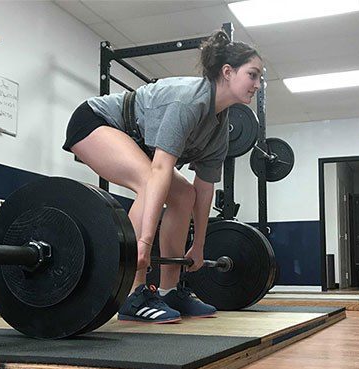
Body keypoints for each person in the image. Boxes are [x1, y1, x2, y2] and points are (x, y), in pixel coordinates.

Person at [62, 30, 263, 323]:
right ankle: (131, 293)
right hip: (96, 123)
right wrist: (143, 243)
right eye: (253, 75)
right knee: (150, 180)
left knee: (185, 195)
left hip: (135, 141)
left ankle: (170, 290)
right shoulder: (187, 102)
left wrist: (199, 245)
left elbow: (204, 189)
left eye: (260, 78)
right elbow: (158, 172)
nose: (257, 84)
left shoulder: (220, 126)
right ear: (228, 72)